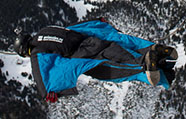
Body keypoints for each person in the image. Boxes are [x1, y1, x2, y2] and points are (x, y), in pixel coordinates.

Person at [13, 18, 177, 102]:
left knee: (118, 72)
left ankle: (147, 67)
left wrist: (47, 94)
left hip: (86, 56)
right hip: (93, 40)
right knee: (127, 55)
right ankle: (159, 61)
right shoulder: (46, 30)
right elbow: (76, 26)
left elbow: (42, 77)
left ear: (24, 51)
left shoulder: (36, 52)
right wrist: (98, 21)